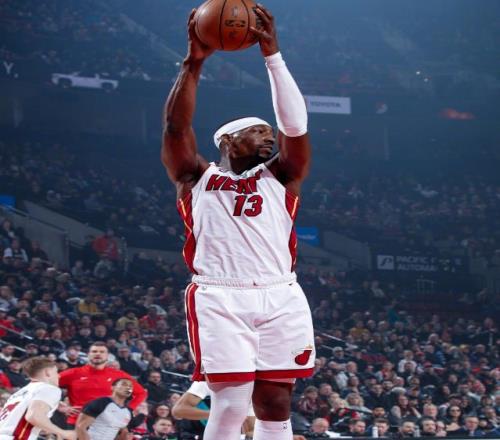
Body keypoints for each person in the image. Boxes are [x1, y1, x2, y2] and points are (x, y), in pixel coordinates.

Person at [162, 4, 314, 440]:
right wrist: (193, 63)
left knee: (276, 403)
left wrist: (273, 56)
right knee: (230, 403)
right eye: (258, 131)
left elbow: (295, 127)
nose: (269, 137)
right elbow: (176, 128)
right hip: (220, 294)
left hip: (280, 292)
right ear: (229, 141)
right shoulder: (195, 176)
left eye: (269, 131)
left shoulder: (283, 175)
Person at [58, 342, 147, 426]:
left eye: (102, 352)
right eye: (94, 351)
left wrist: (128, 409)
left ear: (108, 356)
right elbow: (49, 387)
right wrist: (59, 406)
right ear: (88, 354)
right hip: (77, 423)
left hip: (107, 425)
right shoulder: (73, 373)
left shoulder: (118, 375)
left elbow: (141, 393)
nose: (98, 354)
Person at [0, 357, 75, 439]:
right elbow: (33, 416)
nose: (58, 376)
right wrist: (63, 432)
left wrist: (44, 427)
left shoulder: (20, 392)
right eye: (56, 372)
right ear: (48, 372)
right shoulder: (49, 388)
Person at [172, 381, 255, 439]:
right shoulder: (206, 381)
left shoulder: (249, 387)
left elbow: (251, 429)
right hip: (199, 432)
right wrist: (217, 414)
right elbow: (178, 410)